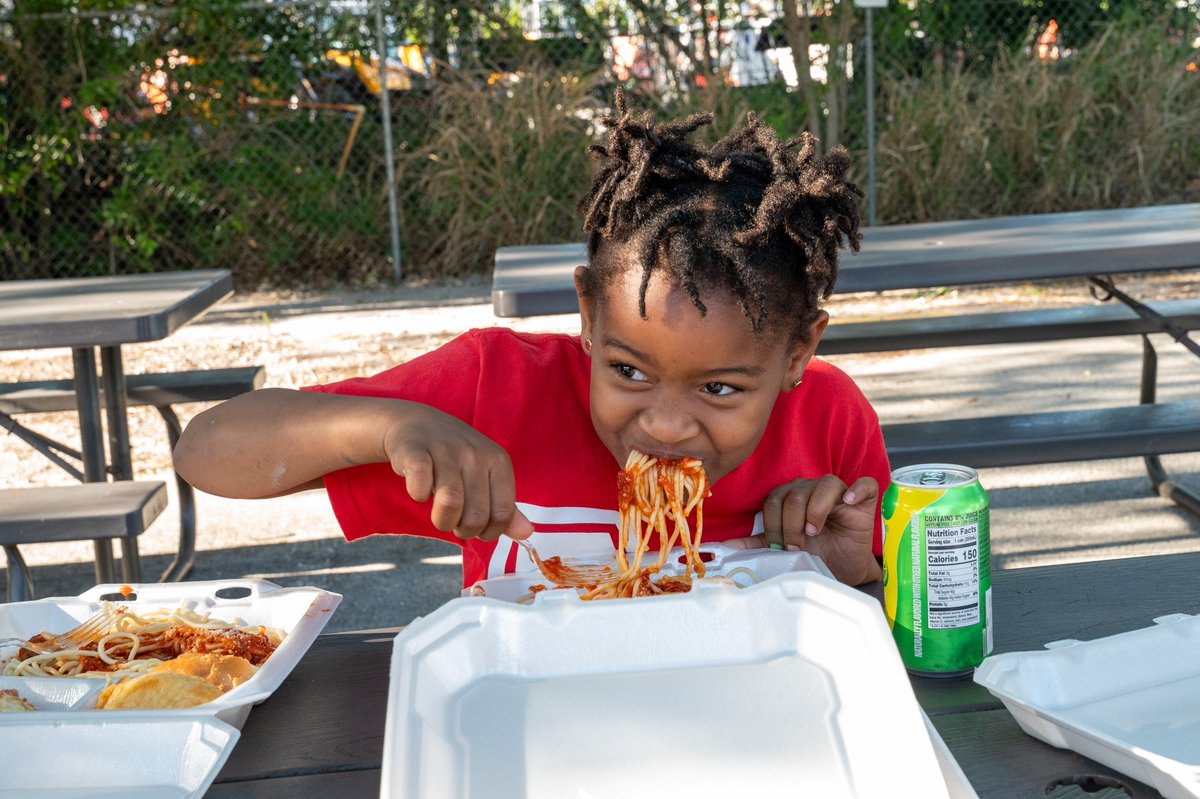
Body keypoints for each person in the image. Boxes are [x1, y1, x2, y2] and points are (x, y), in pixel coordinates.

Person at [173, 89, 890, 588]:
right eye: (629, 371)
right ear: (587, 315)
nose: (665, 425)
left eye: (721, 388)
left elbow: (904, 630)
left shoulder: (827, 420)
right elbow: (205, 451)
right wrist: (393, 424)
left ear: (798, 354)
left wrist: (855, 569)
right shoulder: (496, 390)